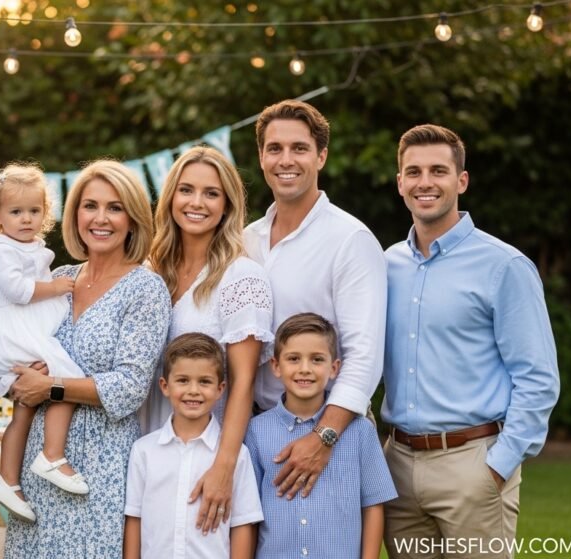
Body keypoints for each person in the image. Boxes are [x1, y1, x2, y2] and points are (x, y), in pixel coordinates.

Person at [382, 124, 560, 558]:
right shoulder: (385, 264)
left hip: (473, 464)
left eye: (438, 171)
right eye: (414, 172)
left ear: (461, 181)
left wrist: (497, 467)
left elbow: (538, 378)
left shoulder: (503, 266)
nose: (426, 182)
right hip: (397, 469)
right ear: (400, 182)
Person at [3, 160, 171, 558]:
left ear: (133, 219)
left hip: (100, 464)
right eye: (90, 205)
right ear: (74, 213)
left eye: (114, 207)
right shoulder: (58, 278)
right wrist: (17, 380)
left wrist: (52, 387)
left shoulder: (145, 288)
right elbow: (17, 341)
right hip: (37, 460)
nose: (101, 218)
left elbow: (130, 388)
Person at [243, 100, 387, 500]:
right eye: (275, 149)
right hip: (259, 427)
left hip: (329, 425)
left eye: (300, 148)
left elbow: (364, 355)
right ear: (261, 156)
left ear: (321, 156)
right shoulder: (245, 240)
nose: (286, 160)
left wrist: (324, 437)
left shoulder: (350, 240)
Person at [142, 146, 274, 534]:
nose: (196, 202)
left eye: (211, 193)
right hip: (146, 447)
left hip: (206, 452)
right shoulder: (151, 271)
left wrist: (223, 466)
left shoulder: (242, 277)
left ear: (227, 205)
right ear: (170, 199)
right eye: (186, 190)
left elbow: (243, 383)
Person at [0, 163, 88, 523]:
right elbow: (19, 291)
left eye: (34, 211)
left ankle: (8, 479)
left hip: (26, 331)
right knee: (67, 379)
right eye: (16, 212)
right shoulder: (1, 251)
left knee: (23, 408)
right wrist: (56, 288)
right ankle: (52, 455)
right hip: (15, 332)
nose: (26, 219)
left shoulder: (30, 248)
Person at [246, 313, 396, 559]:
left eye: (317, 359)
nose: (305, 369)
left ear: (334, 367)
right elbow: (249, 514)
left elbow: (373, 506)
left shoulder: (360, 431)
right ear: (275, 365)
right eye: (293, 359)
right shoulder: (256, 431)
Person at [125, 333, 263, 559]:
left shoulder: (236, 455)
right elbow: (134, 518)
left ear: (220, 389)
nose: (193, 390)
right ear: (165, 385)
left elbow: (243, 524)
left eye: (205, 382)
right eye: (183, 380)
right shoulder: (144, 451)